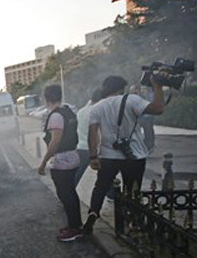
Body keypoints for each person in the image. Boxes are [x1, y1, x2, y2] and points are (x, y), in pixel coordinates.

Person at [83, 75, 166, 234]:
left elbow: (92, 134)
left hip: (107, 156)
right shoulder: (132, 100)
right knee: (132, 191)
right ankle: (131, 223)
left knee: (100, 187)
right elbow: (158, 109)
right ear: (121, 88)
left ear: (104, 89)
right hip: (134, 156)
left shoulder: (97, 107)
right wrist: (158, 87)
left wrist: (93, 157)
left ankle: (93, 214)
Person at [37, 85, 82, 242]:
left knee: (66, 195)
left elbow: (55, 142)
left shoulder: (55, 116)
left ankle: (74, 229)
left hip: (63, 160)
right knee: (70, 193)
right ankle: (75, 224)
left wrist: (43, 163)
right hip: (72, 157)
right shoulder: (68, 111)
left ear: (47, 99)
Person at [74, 89, 101, 186]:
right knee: (105, 174)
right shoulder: (97, 112)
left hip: (81, 147)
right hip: (94, 148)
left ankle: (68, 194)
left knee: (76, 175)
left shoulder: (81, 111)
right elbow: (97, 133)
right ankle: (111, 195)